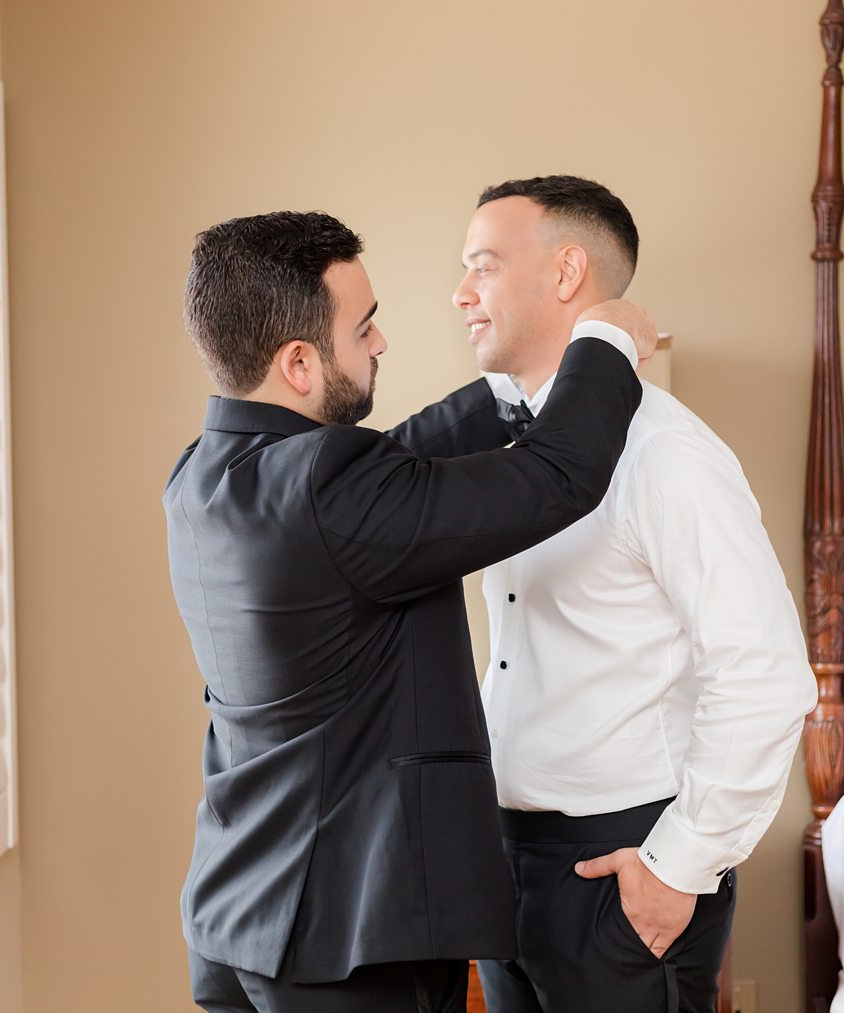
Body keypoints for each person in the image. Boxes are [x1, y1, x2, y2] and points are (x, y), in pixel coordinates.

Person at [164, 209, 657, 1013]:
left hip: (238, 916)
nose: (381, 343)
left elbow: (384, 468)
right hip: (347, 939)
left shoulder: (203, 478)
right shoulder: (331, 489)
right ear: (298, 362)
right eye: (363, 330)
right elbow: (557, 477)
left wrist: (507, 392)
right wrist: (605, 340)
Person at [455, 176, 817, 1013]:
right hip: (509, 857)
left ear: (566, 270)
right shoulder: (509, 455)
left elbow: (764, 673)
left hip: (622, 866)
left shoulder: (664, 454)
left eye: (483, 265)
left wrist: (676, 866)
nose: (461, 291)